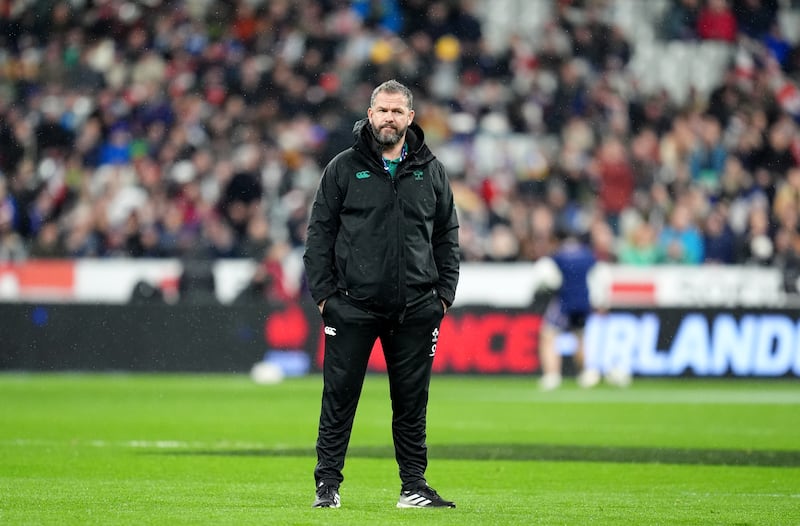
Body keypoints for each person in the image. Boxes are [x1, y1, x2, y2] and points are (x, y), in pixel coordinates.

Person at [303, 79, 460, 509]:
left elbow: (447, 234)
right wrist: (325, 297)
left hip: (416, 309)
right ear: (369, 115)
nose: (389, 118)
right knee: (339, 397)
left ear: (411, 118)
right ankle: (327, 487)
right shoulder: (342, 167)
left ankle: (413, 487)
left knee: (412, 403)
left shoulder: (431, 170)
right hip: (351, 305)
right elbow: (319, 235)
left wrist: (442, 296)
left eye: (397, 111)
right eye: (382, 110)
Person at [537, 228, 601, 391]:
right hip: (583, 302)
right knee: (579, 338)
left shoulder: (558, 255)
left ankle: (552, 376)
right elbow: (597, 275)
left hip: (565, 301)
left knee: (548, 335)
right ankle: (586, 373)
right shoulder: (587, 255)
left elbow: (549, 277)